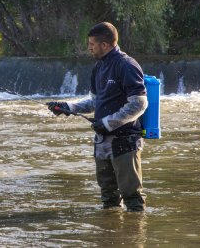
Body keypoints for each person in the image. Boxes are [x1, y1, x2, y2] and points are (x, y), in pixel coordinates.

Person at [47, 22, 148, 212]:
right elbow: (94, 101)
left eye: (92, 44)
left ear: (105, 44)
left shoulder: (126, 65)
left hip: (124, 142)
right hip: (102, 141)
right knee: (108, 198)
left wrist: (108, 124)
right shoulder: (99, 67)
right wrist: (67, 107)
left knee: (132, 198)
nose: (89, 47)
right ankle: (110, 235)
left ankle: (134, 238)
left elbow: (140, 103)